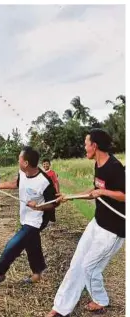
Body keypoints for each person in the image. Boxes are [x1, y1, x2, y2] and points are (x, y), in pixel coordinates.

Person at [46, 129, 125, 317]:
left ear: (94, 146)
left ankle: (101, 300)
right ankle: (59, 308)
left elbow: (124, 195)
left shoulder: (114, 167)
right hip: (97, 222)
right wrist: (71, 196)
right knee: (77, 263)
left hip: (113, 230)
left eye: (86, 143)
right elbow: (96, 189)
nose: (84, 147)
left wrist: (103, 193)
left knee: (89, 267)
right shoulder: (98, 164)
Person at [0, 146, 58, 287]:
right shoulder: (23, 173)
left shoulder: (44, 181)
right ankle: (37, 273)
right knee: (32, 243)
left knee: (14, 244)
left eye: (20, 158)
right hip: (26, 217)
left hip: (38, 219)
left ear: (25, 163)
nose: (18, 160)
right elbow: (15, 184)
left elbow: (54, 203)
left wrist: (38, 206)